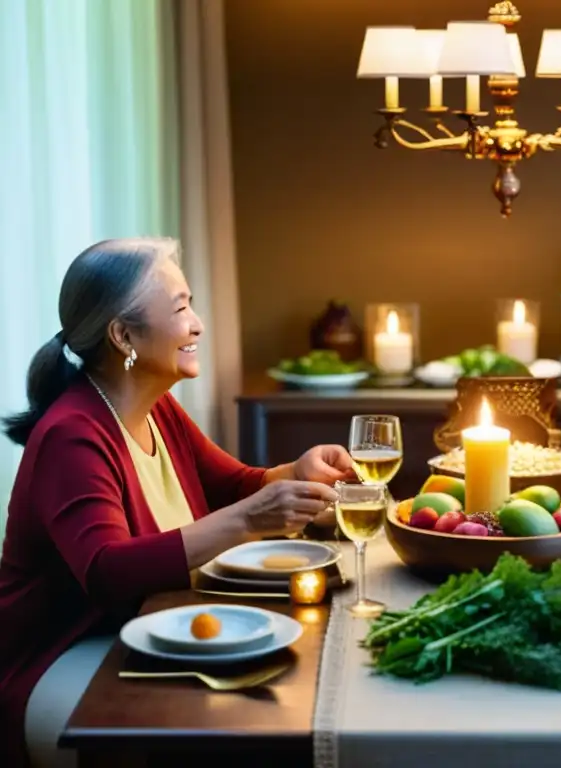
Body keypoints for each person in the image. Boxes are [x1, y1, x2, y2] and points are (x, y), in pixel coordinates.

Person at [0, 238, 356, 768]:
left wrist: (293, 472)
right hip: (67, 656)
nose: (197, 324)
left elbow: (234, 485)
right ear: (123, 336)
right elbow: (106, 571)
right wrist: (250, 520)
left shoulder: (156, 408)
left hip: (146, 631)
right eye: (180, 308)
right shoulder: (72, 434)